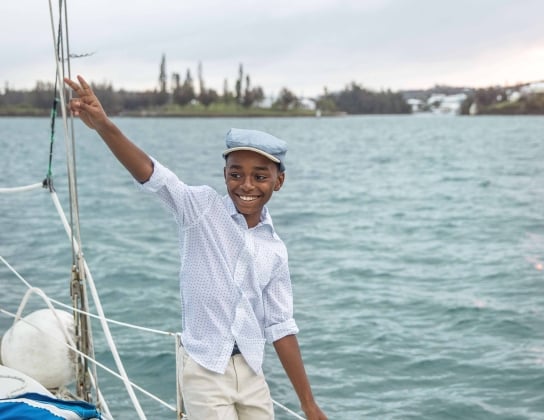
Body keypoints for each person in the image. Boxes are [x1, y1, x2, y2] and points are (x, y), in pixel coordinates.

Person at [64, 75, 327, 420]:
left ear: (279, 181)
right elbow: (153, 175)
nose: (246, 185)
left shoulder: (274, 249)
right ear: (225, 174)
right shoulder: (201, 208)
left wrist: (308, 405)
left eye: (260, 176)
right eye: (236, 174)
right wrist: (104, 126)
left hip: (251, 370)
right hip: (205, 369)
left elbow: (281, 326)